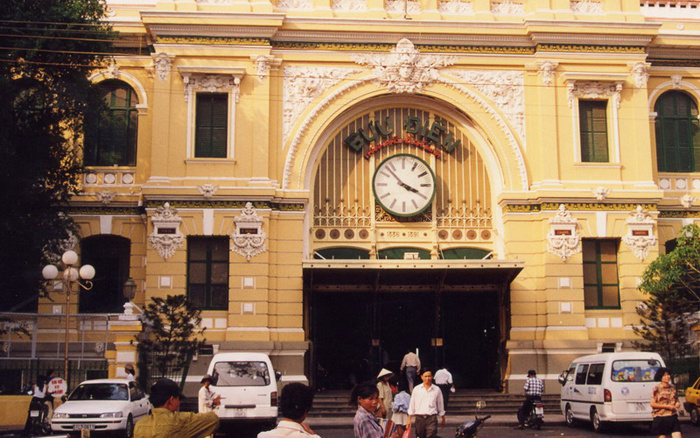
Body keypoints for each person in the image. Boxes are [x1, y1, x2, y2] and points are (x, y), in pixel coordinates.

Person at [134, 378, 219, 438]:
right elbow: (213, 420)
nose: (179, 403)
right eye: (178, 399)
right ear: (171, 400)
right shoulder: (180, 421)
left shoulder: (139, 425)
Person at [407, 369, 445, 438]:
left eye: (429, 376)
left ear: (432, 377)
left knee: (431, 435)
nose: (427, 378)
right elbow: (412, 404)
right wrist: (409, 419)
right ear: (422, 377)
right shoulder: (417, 389)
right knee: (420, 436)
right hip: (419, 418)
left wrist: (443, 417)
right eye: (425, 376)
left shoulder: (436, 389)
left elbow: (440, 404)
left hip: (432, 418)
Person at [650, 367, 682, 438]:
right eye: (664, 375)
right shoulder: (656, 389)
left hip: (672, 416)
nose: (667, 377)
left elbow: (676, 400)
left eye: (668, 375)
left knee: (678, 435)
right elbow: (652, 404)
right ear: (660, 377)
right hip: (661, 417)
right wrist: (667, 406)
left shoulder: (673, 387)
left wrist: (677, 404)